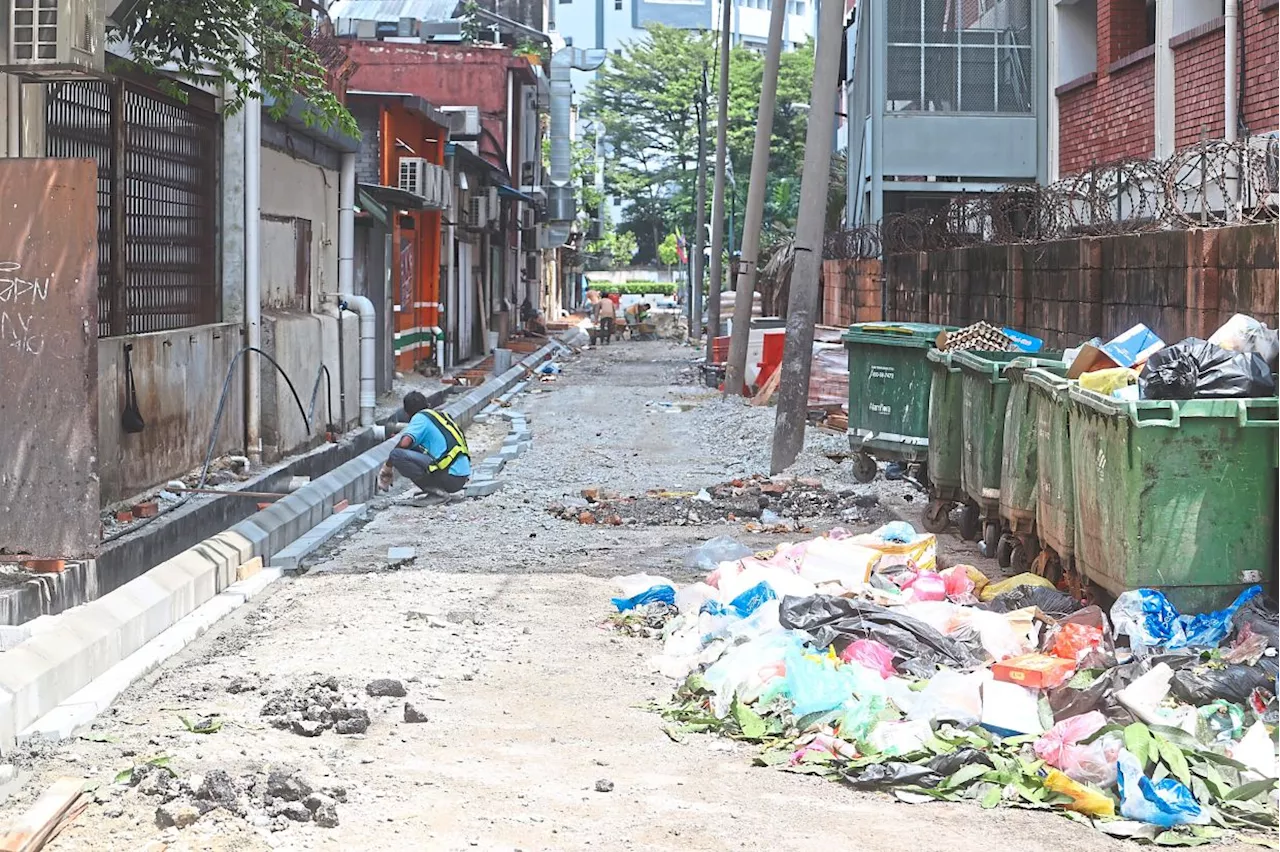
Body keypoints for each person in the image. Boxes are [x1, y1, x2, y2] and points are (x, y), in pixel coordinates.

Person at [379, 391, 471, 505]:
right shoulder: (441, 416)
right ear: (427, 404)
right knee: (414, 448)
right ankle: (436, 489)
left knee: (396, 455)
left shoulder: (420, 418)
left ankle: (436, 493)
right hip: (460, 476)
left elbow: (404, 443)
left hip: (450, 476)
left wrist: (387, 467)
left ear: (407, 412)